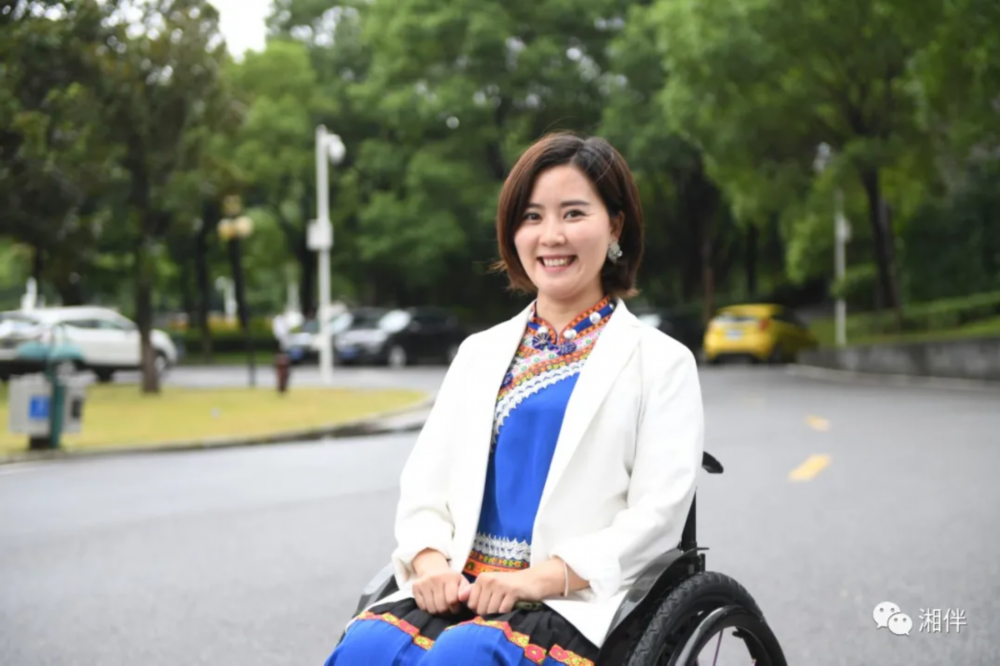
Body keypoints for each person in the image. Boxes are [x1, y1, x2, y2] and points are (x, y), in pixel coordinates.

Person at [323, 132, 704, 665]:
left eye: (573, 213)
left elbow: (657, 517)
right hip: (460, 589)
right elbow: (425, 486)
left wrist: (535, 580)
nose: (551, 236)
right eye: (531, 217)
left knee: (465, 655)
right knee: (364, 649)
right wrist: (430, 565)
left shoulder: (660, 362)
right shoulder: (479, 353)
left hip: (571, 601)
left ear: (615, 226)